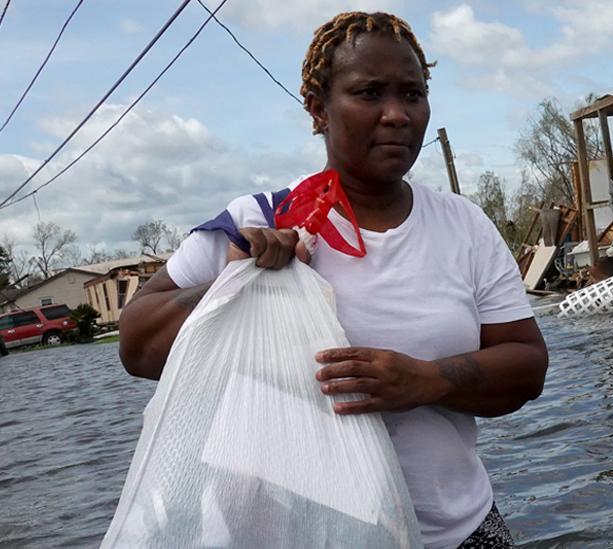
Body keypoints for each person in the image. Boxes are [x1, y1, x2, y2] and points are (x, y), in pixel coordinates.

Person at [117, 12, 548, 549]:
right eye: (369, 93)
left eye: (412, 95)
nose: (396, 115)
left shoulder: (465, 226)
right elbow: (136, 348)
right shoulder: (259, 220)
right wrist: (231, 286)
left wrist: (428, 380)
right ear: (319, 110)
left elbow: (527, 365)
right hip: (298, 535)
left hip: (457, 533)